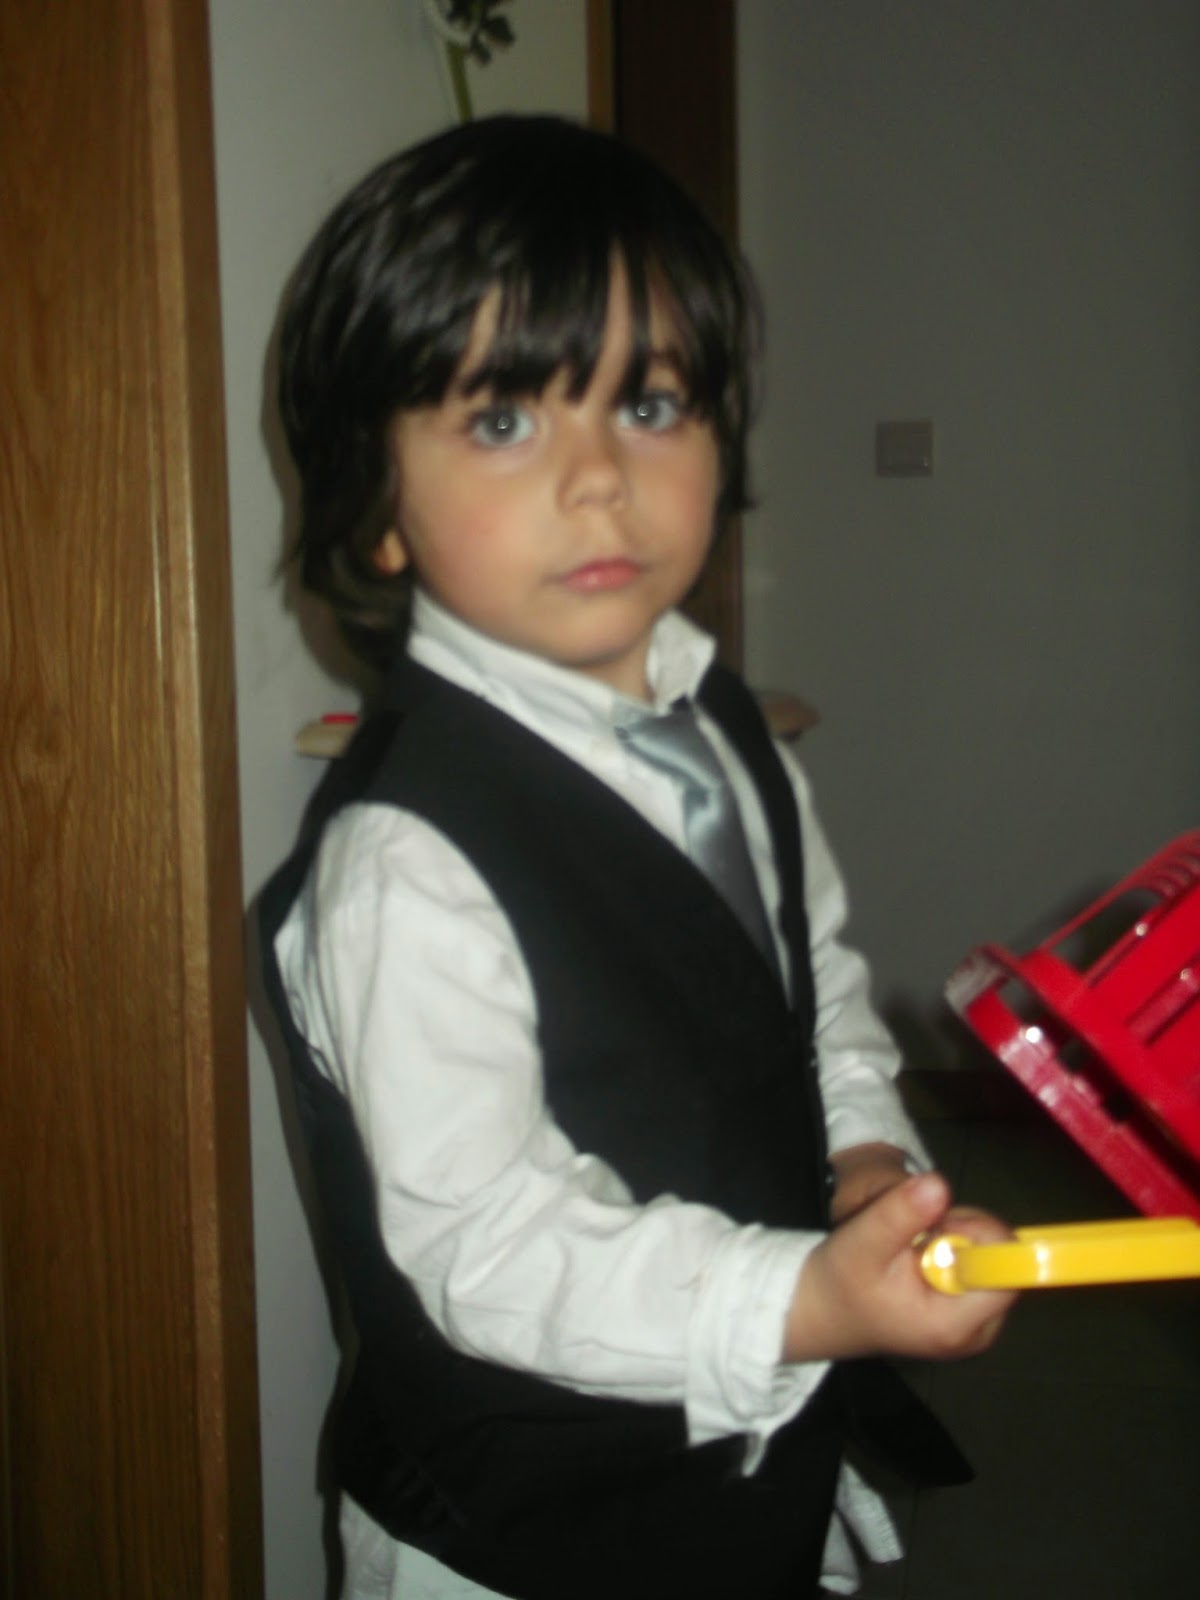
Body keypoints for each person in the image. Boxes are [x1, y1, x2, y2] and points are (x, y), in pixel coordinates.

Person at [260, 114, 1016, 1600]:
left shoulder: (727, 724)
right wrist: (805, 1300)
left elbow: (813, 994)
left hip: (739, 1479)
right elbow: (491, 1246)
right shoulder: (406, 862)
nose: (599, 476)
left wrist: (867, 1159)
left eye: (651, 404)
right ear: (378, 507)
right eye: (503, 422)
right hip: (518, 1541)